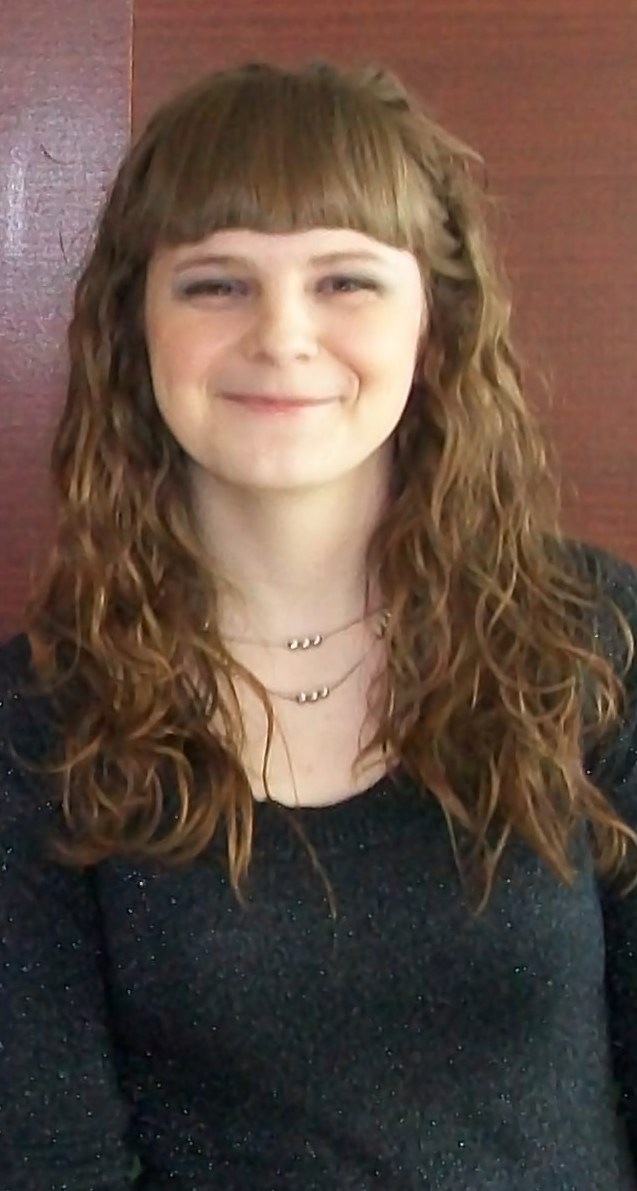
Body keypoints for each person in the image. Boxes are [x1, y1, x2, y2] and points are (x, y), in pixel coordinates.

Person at [1, 58, 637, 1191]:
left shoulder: (589, 640)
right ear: (134, 328)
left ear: (434, 322)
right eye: (216, 284)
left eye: (345, 280)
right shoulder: (36, 723)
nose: (282, 336)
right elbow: (53, 1163)